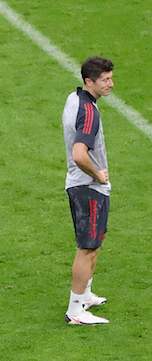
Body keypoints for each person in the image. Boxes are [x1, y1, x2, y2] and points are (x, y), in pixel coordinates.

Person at [62, 57, 115, 325]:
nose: (111, 84)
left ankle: (85, 295)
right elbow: (79, 154)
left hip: (81, 185)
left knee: (93, 244)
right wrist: (98, 174)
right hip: (88, 187)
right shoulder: (90, 112)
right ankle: (75, 311)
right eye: (105, 80)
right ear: (89, 81)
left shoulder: (74, 98)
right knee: (88, 248)